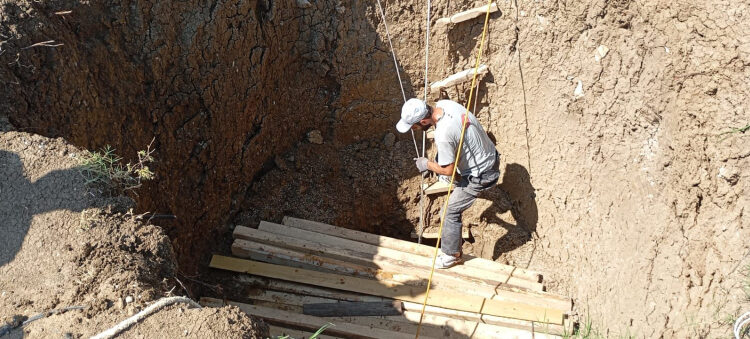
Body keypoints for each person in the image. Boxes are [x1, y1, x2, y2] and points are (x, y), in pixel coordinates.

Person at [396, 98, 500, 269]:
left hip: (482, 173)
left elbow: (448, 170)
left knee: (449, 211)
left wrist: (426, 164)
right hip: (489, 154)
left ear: (423, 121)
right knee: (442, 159)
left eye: (414, 127)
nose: (414, 130)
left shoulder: (443, 135)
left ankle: (452, 255)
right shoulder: (444, 104)